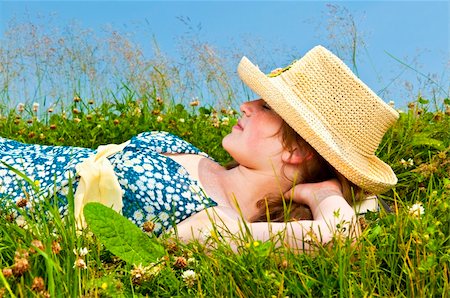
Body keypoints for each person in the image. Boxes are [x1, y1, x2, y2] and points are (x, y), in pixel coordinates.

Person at [0, 45, 399, 250]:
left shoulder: (218, 222)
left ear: (298, 151)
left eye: (266, 107)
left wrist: (324, 192)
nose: (246, 105)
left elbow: (339, 237)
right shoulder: (190, 151)